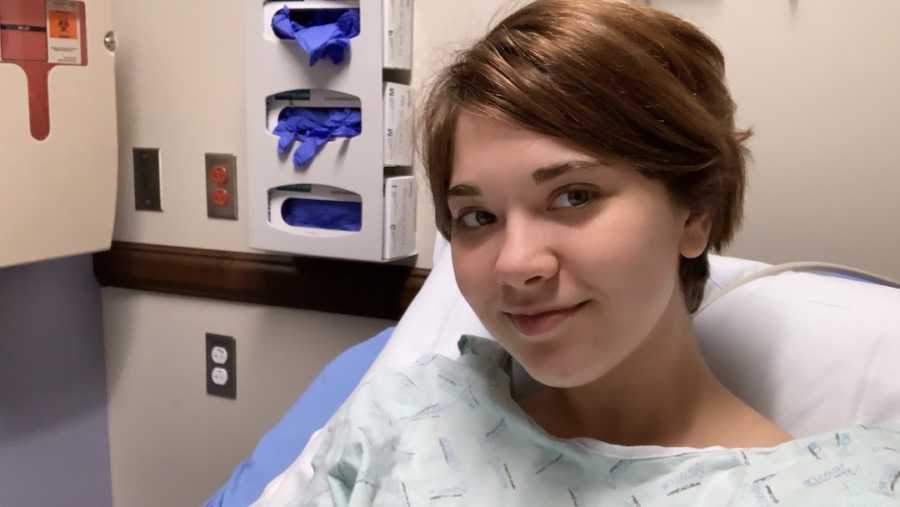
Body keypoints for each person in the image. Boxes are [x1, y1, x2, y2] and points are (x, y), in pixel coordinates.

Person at [254, 1, 900, 505]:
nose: (515, 262)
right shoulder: (407, 418)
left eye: (573, 196)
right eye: (476, 216)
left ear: (695, 214)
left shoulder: (837, 489)